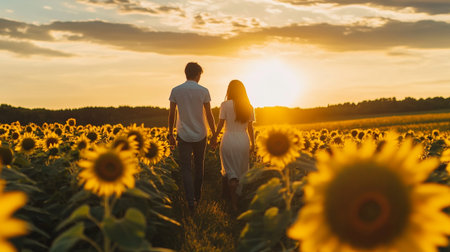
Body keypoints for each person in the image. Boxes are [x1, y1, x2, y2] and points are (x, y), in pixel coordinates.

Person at [168, 62, 216, 212]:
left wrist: (170, 134)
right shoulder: (203, 91)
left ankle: (190, 201)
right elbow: (209, 115)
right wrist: (214, 134)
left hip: (183, 134)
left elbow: (172, 114)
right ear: (197, 74)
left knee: (186, 169)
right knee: (199, 167)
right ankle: (197, 197)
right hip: (201, 134)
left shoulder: (176, 90)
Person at [211, 80, 255, 212]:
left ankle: (234, 204)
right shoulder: (248, 106)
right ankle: (241, 202)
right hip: (243, 139)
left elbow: (220, 125)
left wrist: (214, 137)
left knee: (231, 172)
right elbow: (250, 128)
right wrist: (253, 143)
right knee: (241, 171)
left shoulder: (225, 105)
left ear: (229, 90)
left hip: (228, 139)